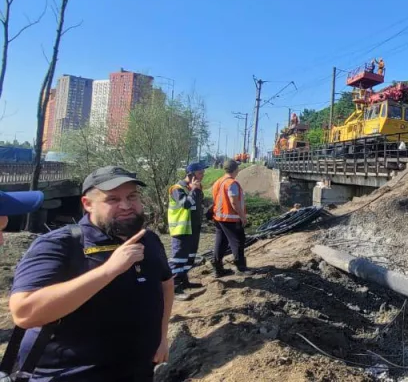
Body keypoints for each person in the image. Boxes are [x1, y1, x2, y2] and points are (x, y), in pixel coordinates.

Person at [8, 166, 172, 380]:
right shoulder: (61, 244)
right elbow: (24, 313)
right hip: (69, 375)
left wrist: (162, 336)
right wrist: (109, 270)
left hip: (137, 371)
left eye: (132, 196)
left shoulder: (149, 240)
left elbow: (166, 283)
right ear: (87, 204)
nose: (126, 206)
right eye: (112, 199)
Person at [168, 162, 207, 300]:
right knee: (178, 258)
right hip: (181, 229)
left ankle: (184, 282)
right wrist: (195, 190)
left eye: (203, 173)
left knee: (189, 257)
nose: (203, 175)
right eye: (200, 173)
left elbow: (199, 205)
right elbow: (185, 204)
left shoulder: (194, 187)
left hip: (193, 228)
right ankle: (174, 287)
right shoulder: (176, 188)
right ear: (191, 175)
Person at [211, 159, 249, 277]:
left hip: (219, 217)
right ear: (235, 169)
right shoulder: (232, 183)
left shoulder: (219, 181)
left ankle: (217, 268)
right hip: (231, 218)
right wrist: (243, 217)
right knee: (238, 241)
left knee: (221, 242)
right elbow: (234, 202)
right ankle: (241, 268)